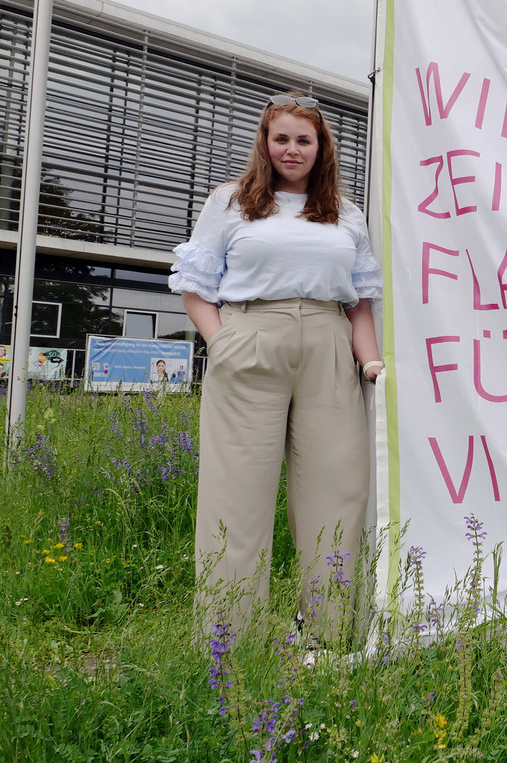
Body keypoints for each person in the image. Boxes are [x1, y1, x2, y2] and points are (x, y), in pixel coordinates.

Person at [170, 92, 384, 646]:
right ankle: (228, 640)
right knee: (235, 494)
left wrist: (371, 362)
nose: (292, 149)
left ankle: (328, 636)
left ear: (320, 147)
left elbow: (360, 302)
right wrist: (222, 343)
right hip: (250, 340)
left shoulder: (344, 212)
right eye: (281, 138)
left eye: (303, 140)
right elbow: (195, 287)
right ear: (265, 143)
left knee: (338, 491)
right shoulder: (231, 202)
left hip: (328, 345)